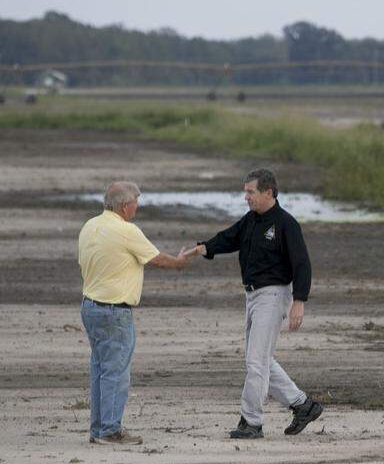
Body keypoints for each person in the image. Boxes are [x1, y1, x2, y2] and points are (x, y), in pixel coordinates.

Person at [194, 168, 323, 439]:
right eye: (245, 192)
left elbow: (302, 264)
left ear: (268, 192)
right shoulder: (251, 220)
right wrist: (204, 248)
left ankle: (251, 422)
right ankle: (303, 405)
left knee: (256, 362)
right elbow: (230, 237)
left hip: (274, 296)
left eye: (250, 192)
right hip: (252, 296)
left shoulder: (286, 224)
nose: (246, 197)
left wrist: (299, 301)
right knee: (260, 360)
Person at [78, 181, 196, 445]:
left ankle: (99, 429)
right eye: (136, 203)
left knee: (100, 369)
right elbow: (157, 259)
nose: (137, 207)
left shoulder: (89, 226)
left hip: (89, 306)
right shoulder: (126, 230)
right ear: (124, 205)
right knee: (116, 372)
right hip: (113, 310)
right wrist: (180, 262)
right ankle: (109, 430)